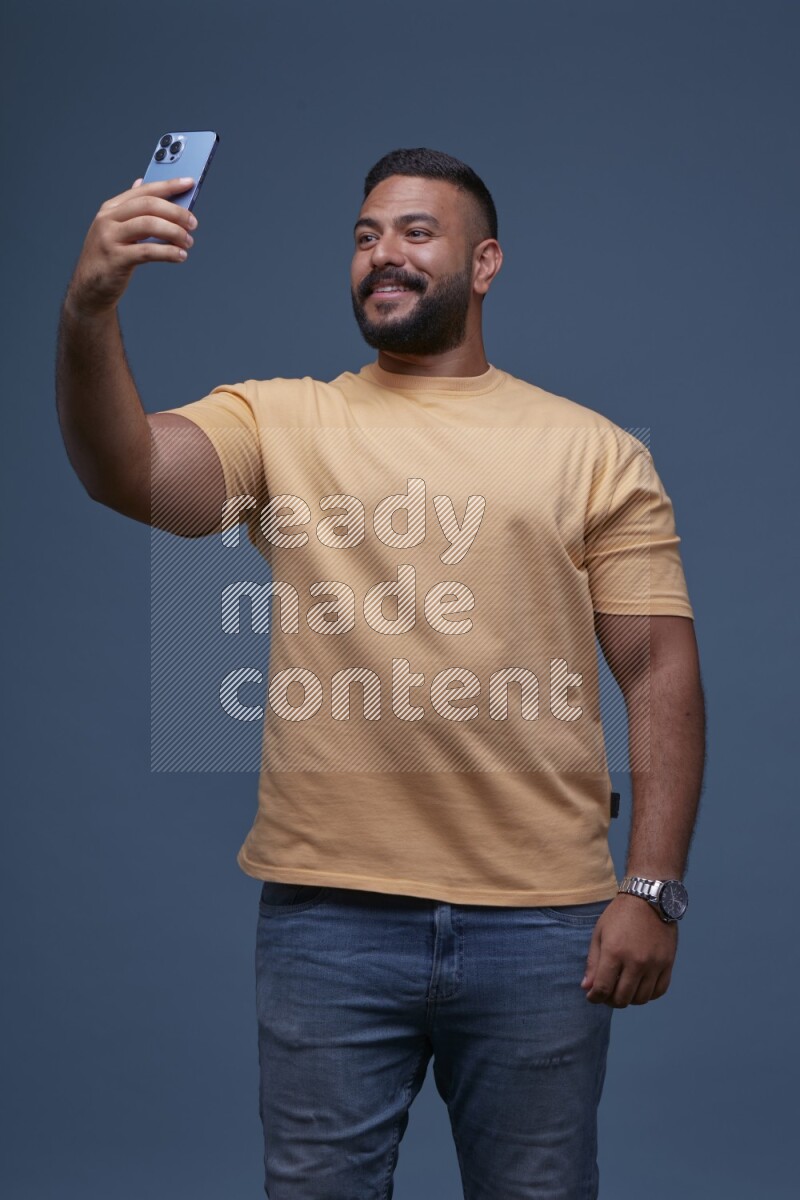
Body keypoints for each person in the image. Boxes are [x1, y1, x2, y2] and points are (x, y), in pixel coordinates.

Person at [56, 146, 705, 1199]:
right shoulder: (277, 421)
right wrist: (90, 309)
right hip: (329, 923)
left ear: (483, 262)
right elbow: (120, 470)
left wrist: (651, 886)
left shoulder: (590, 451)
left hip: (543, 923)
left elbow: (658, 667)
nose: (381, 256)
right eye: (363, 236)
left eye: (414, 232)